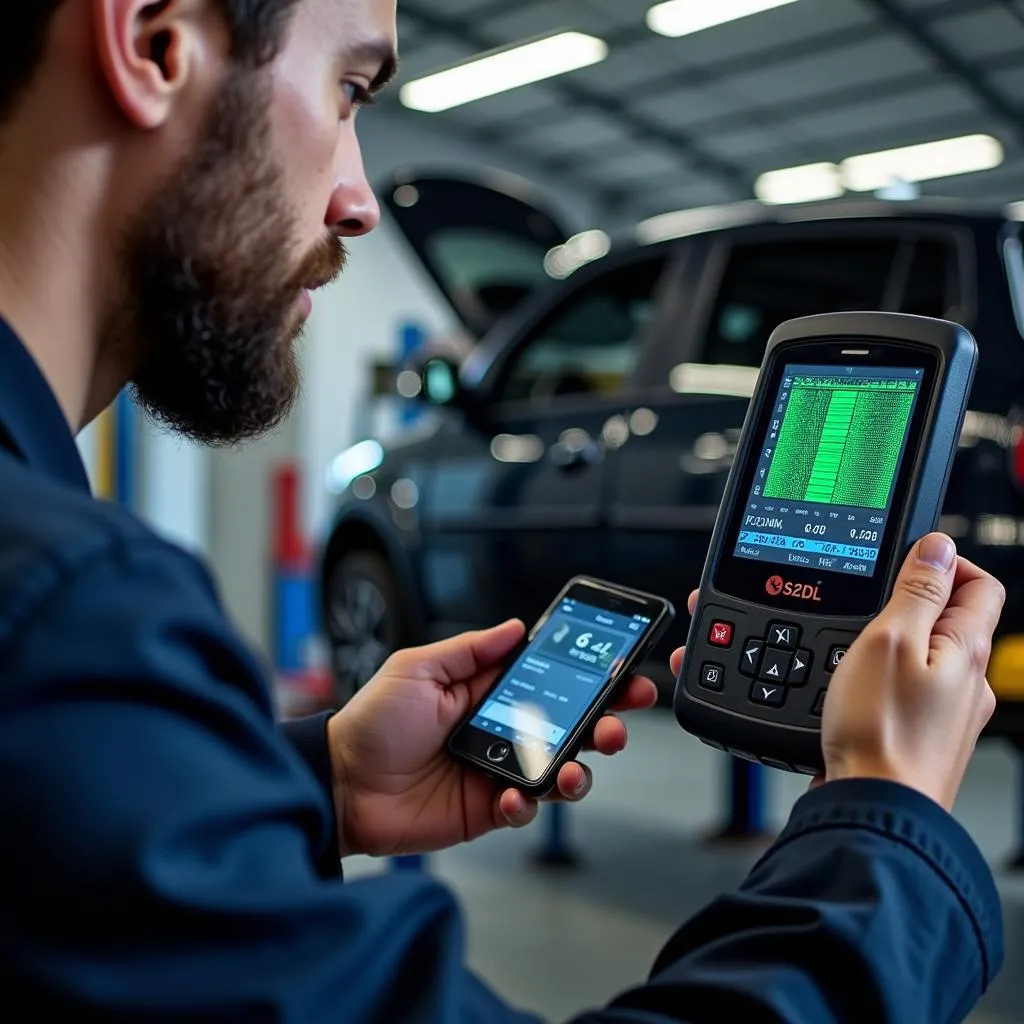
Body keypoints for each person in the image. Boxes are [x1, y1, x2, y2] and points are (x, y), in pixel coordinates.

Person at [0, 1, 1007, 1020]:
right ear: (152, 44)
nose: (360, 203)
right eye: (348, 91)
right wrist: (889, 818)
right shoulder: (62, 615)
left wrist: (327, 778)